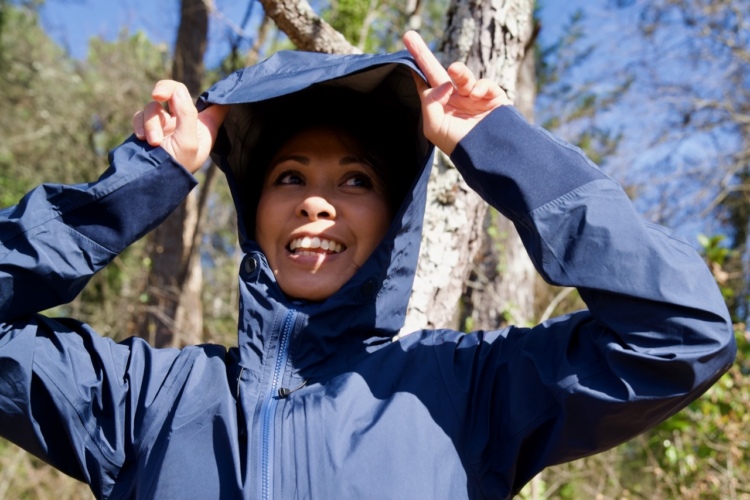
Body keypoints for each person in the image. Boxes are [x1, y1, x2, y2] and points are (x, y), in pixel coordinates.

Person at [0, 31, 736, 499]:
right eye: (289, 177)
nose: (318, 203)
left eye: (356, 182)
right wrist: (142, 181)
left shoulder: (471, 391)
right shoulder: (146, 401)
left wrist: (503, 149)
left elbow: (681, 336)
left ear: (392, 220)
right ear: (254, 210)